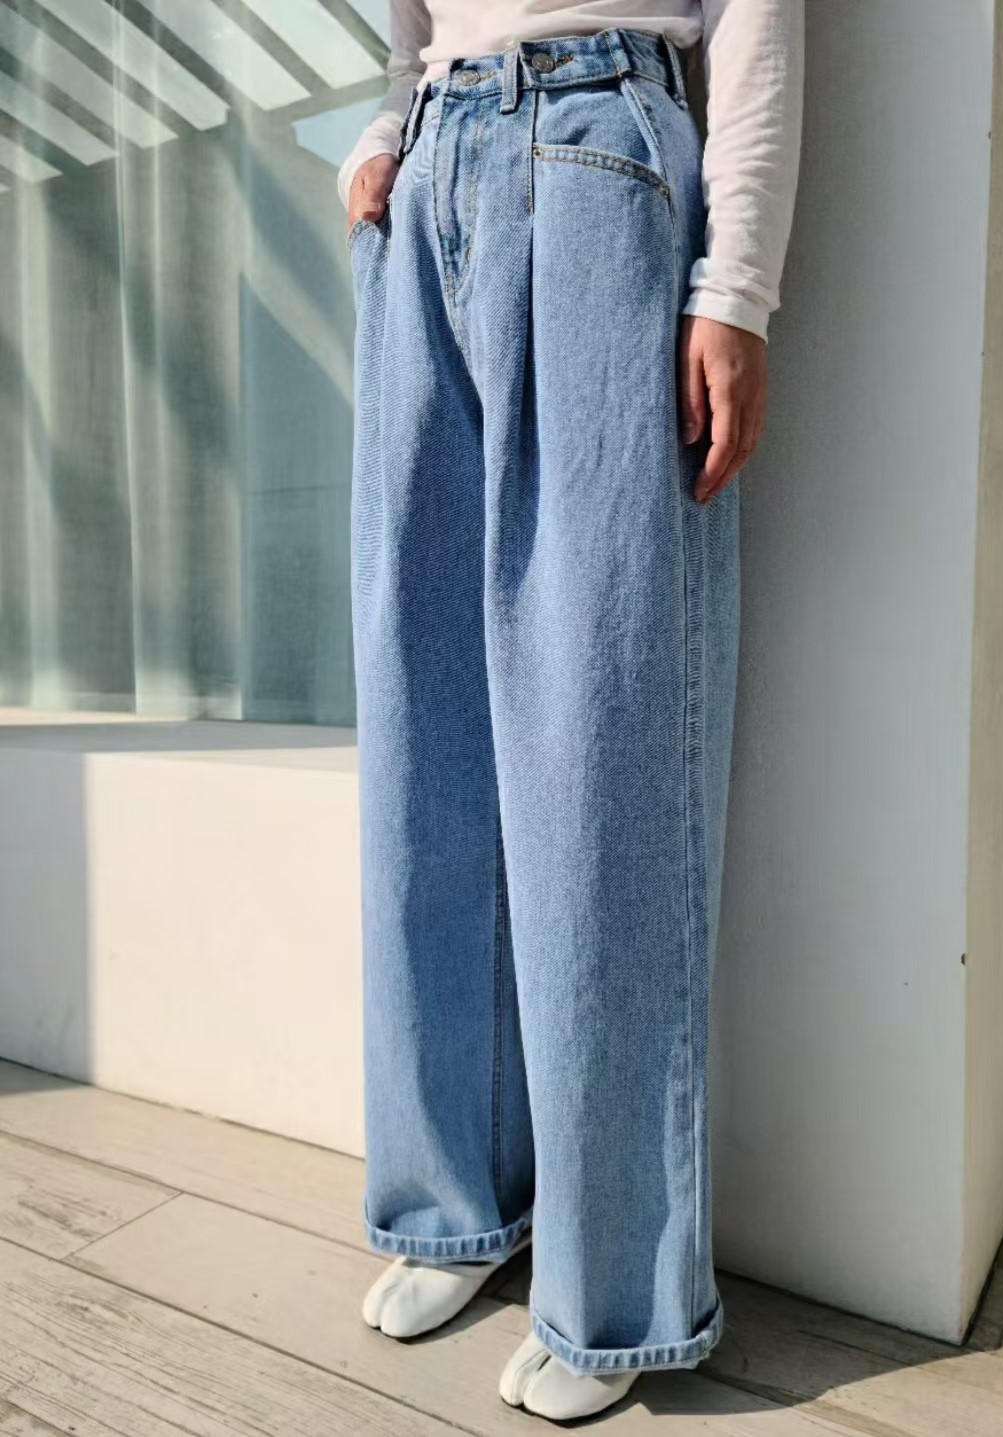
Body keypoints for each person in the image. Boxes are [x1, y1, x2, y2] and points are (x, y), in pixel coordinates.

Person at [339, 1, 803, 1421]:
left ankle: (614, 1291)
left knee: (604, 741)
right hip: (429, 181)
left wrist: (736, 287)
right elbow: (414, 29)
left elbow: (755, 24)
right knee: (423, 731)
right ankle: (452, 1201)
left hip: (605, 159)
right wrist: (387, 129)